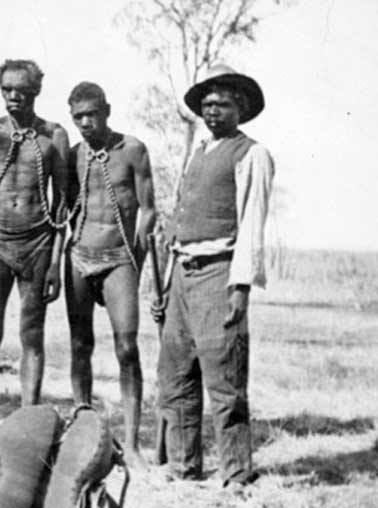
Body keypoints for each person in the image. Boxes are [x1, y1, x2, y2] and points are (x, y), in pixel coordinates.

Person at [155, 64, 273, 488]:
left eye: (221, 104)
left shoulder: (251, 153)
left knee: (224, 382)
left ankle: (237, 475)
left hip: (219, 274)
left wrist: (239, 286)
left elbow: (251, 222)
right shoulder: (199, 151)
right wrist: (165, 284)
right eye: (206, 104)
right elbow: (179, 219)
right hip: (182, 276)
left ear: (240, 108)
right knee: (176, 376)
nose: (212, 111)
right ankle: (184, 469)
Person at [0, 60, 69, 449]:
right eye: (6, 88)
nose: (13, 96)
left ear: (36, 91)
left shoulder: (53, 136)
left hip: (38, 244)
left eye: (21, 89)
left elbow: (62, 207)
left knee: (31, 335)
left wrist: (56, 259)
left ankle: (27, 428)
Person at [63, 82, 155, 468]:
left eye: (92, 114)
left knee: (126, 348)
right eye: (78, 116)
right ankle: (83, 433)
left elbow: (148, 209)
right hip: (80, 256)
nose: (86, 122)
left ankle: (132, 445)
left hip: (119, 258)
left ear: (107, 110)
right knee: (81, 345)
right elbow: (66, 207)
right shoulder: (73, 155)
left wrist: (137, 257)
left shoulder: (131, 150)